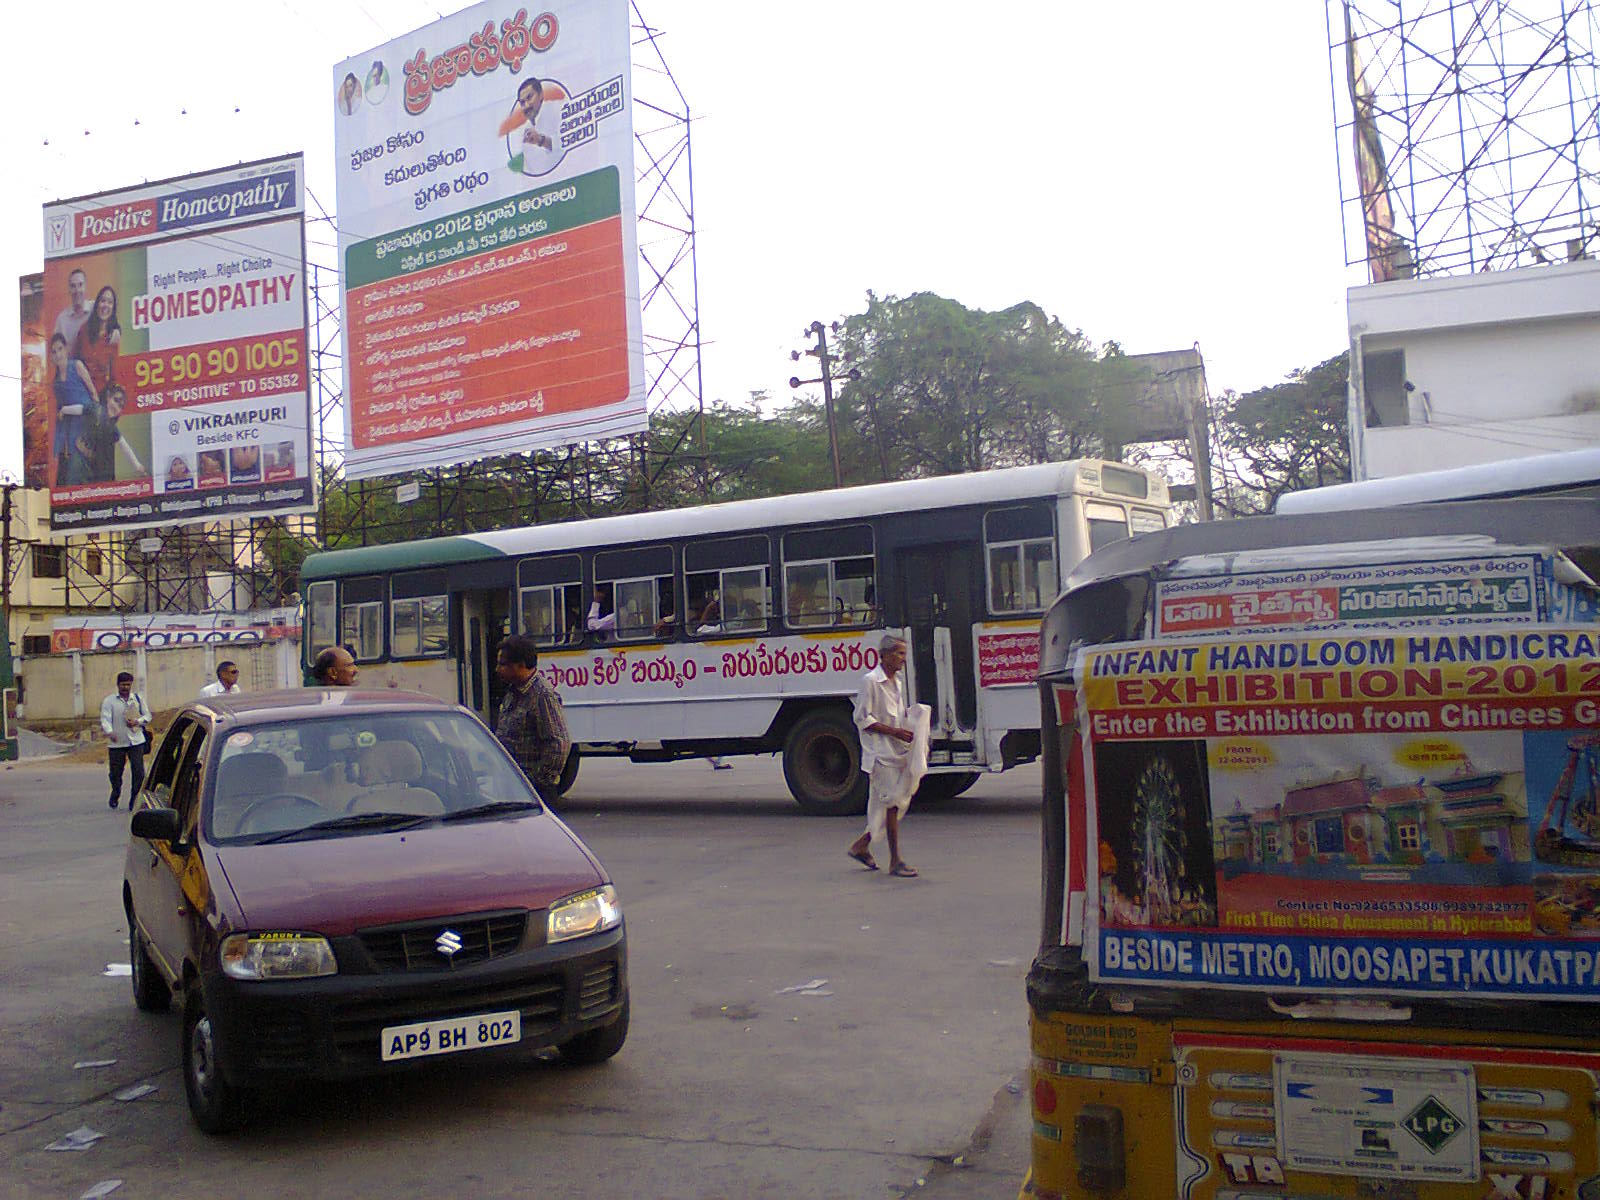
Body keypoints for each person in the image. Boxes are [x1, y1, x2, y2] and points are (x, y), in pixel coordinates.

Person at [846, 635, 931, 878]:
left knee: (891, 804)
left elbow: (899, 715)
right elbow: (863, 718)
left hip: (896, 750)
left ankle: (861, 845)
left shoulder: (898, 683)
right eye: (898, 654)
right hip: (879, 753)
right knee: (892, 803)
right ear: (883, 656)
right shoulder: (870, 681)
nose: (903, 659)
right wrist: (894, 731)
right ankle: (895, 860)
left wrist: (919, 736)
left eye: (904, 654)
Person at [493, 634, 571, 801]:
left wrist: (537, 783)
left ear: (521, 665)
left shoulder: (542, 695)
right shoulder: (513, 692)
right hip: (512, 787)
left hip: (532, 792)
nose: (497, 670)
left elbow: (559, 743)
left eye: (503, 665)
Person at [48, 333, 95, 485]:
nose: (58, 354)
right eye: (54, 352)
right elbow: (61, 413)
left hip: (86, 421)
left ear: (66, 349)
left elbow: (93, 393)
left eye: (60, 349)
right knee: (71, 474)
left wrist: (98, 419)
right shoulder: (56, 382)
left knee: (80, 469)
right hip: (71, 431)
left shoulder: (77, 366)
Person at [100, 671, 152, 810]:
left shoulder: (138, 699)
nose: (125, 687)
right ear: (118, 685)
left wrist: (138, 721)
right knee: (115, 773)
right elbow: (105, 719)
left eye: (128, 684)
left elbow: (147, 716)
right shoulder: (109, 701)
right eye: (123, 685)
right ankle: (115, 792)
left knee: (139, 772)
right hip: (117, 743)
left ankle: (134, 800)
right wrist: (110, 732)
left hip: (136, 741)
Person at [75, 385, 144, 483]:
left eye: (121, 406)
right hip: (84, 467)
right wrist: (63, 410)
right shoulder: (94, 410)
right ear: (108, 397)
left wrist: (137, 465)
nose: (116, 407)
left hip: (101, 474)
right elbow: (80, 410)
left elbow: (124, 446)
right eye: (116, 400)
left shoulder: (112, 428)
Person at [71, 285, 120, 398]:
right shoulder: (84, 331)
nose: (105, 306)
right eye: (103, 301)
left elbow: (114, 375)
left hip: (100, 397)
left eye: (110, 302)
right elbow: (75, 364)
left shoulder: (113, 337)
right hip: (81, 394)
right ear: (97, 303)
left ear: (113, 308)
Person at [53, 268, 92, 349]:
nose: (77, 290)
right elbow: (56, 350)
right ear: (69, 290)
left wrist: (117, 330)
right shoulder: (62, 320)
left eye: (80, 285)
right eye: (73, 286)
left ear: (86, 287)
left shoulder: (95, 308)